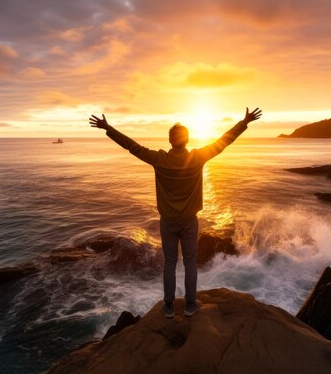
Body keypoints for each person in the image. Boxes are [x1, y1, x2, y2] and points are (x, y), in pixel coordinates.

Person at [89, 107, 262, 318]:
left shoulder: (160, 159)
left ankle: (169, 307)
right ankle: (190, 305)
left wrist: (108, 128)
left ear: (170, 141)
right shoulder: (198, 157)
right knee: (190, 262)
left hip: (168, 220)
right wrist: (244, 123)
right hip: (189, 220)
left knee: (170, 263)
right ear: (187, 140)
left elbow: (132, 147)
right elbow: (224, 141)